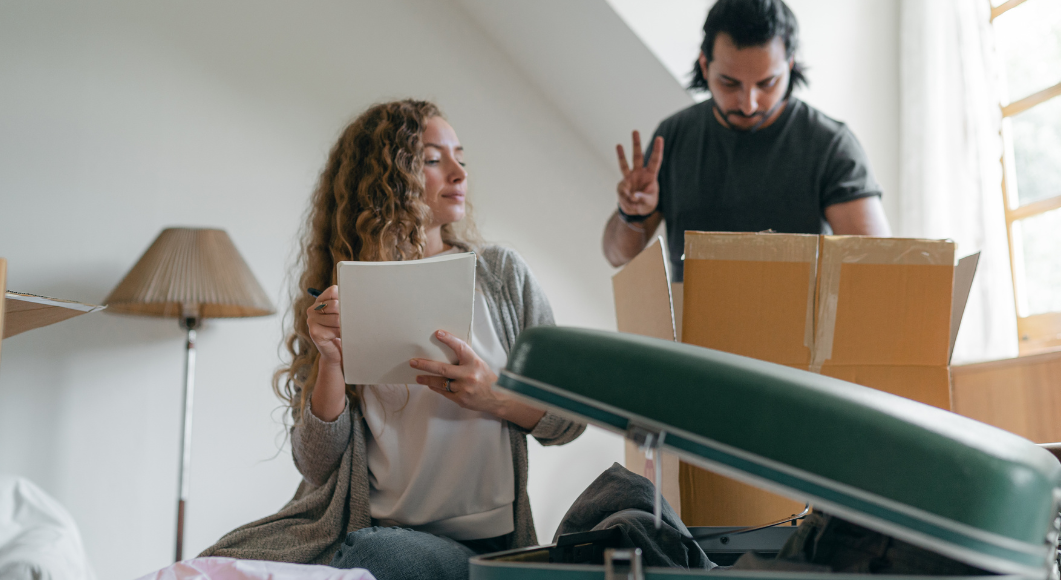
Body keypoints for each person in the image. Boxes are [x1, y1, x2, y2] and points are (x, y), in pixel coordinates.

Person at [200, 100, 585, 580]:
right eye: (432, 159)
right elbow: (318, 467)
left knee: (385, 558)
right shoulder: (346, 292)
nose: (459, 172)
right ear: (385, 178)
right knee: (209, 566)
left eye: (460, 157)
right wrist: (331, 362)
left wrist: (494, 395)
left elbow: (571, 418)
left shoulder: (503, 277)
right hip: (365, 528)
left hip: (477, 547)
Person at [603, 0, 892, 282]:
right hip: (695, 328)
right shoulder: (674, 136)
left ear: (789, 66)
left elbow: (876, 267)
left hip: (799, 327)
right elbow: (617, 256)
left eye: (767, 83)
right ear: (705, 66)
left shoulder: (830, 146)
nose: (748, 104)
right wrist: (631, 214)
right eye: (730, 83)